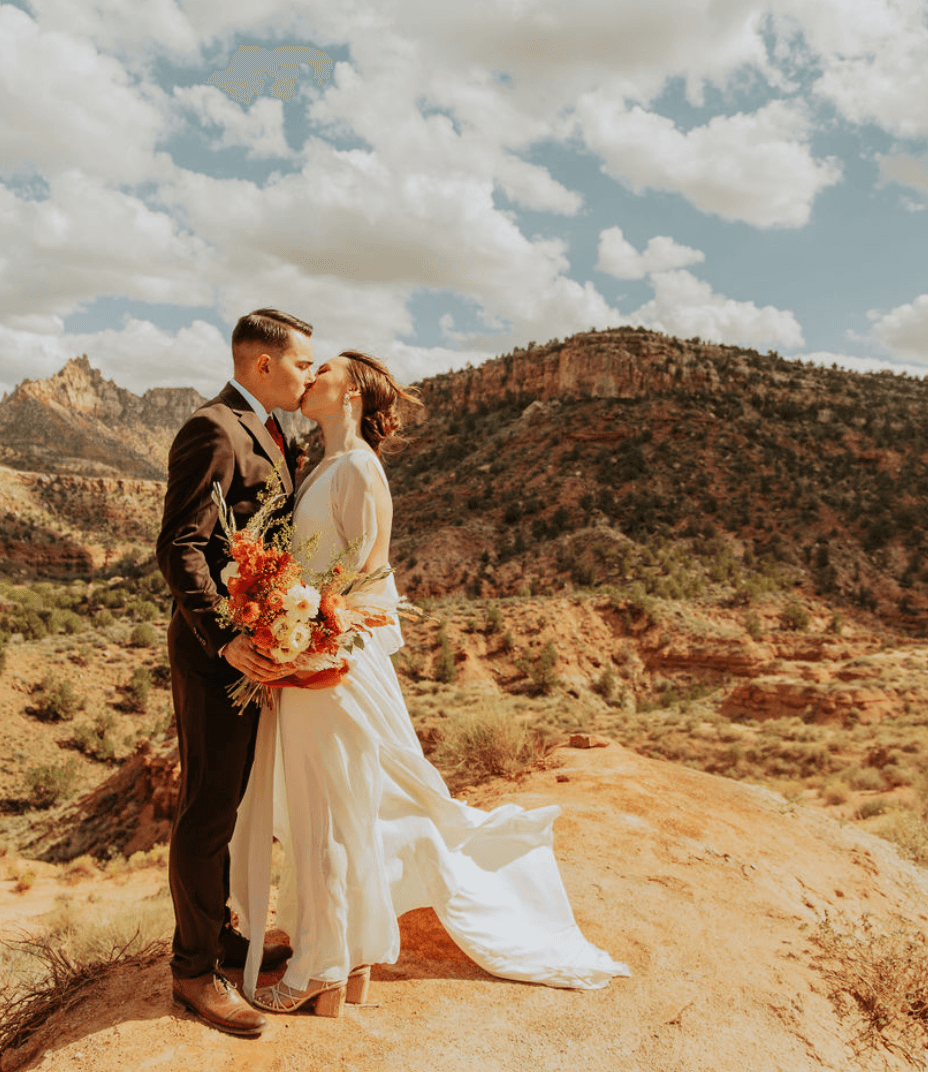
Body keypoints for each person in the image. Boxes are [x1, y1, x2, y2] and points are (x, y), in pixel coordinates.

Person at [229, 351, 629, 1015]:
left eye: (325, 368)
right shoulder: (324, 466)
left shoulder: (359, 467)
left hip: (330, 665)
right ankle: (348, 956)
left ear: (352, 391)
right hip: (309, 659)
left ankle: (320, 966)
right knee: (332, 810)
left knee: (325, 813)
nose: (311, 374)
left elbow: (360, 582)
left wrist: (304, 643)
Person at [157, 307, 321, 1037]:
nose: (308, 374)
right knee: (206, 807)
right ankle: (193, 972)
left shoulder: (275, 432)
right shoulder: (214, 429)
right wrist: (226, 639)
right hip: (213, 657)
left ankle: (220, 934)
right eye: (301, 363)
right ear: (262, 364)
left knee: (226, 802)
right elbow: (180, 546)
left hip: (254, 652)